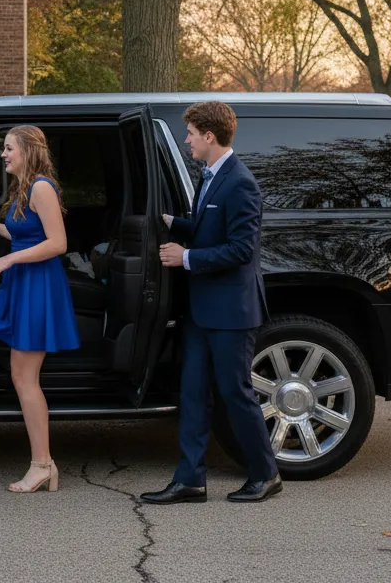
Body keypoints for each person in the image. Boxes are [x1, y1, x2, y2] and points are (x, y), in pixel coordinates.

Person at [139, 101, 282, 505]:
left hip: (232, 312)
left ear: (209, 135)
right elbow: (208, 230)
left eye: (190, 133)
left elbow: (240, 250)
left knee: (234, 392)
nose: (186, 140)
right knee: (192, 392)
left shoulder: (241, 182)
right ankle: (190, 480)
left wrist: (184, 257)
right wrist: (173, 223)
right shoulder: (209, 176)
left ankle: (266, 473)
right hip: (202, 310)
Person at [0, 125, 79, 493]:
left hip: (37, 287)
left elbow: (57, 243)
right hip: (19, 284)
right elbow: (27, 234)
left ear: (28, 151)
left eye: (8, 148)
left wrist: (9, 261)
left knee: (24, 378)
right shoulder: (24, 188)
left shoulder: (41, 187)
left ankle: (42, 464)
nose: (3, 154)